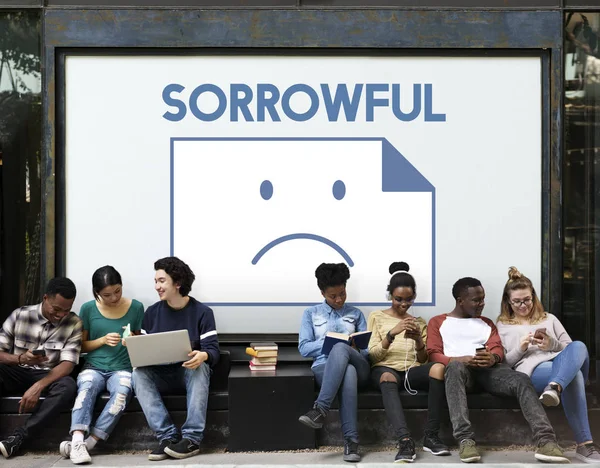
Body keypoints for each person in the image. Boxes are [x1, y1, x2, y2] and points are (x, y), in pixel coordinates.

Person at [427, 277, 568, 464]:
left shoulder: (487, 323)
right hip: (460, 373)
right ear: (460, 301)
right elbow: (433, 354)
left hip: (489, 372)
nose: (482, 304)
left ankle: (546, 441)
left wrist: (492, 358)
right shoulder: (438, 322)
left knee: (520, 379)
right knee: (453, 368)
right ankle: (465, 440)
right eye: (476, 300)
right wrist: (460, 359)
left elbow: (497, 349)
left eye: (483, 299)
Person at [497, 266, 599, 463]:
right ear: (508, 301)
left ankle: (555, 387)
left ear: (534, 296)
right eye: (517, 301)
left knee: (579, 345)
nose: (523, 305)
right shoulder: (502, 326)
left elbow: (572, 350)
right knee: (575, 376)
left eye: (527, 299)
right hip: (533, 371)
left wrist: (552, 344)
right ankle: (585, 445)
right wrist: (521, 348)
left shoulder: (549, 318)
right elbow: (505, 364)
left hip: (560, 364)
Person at [132, 257, 219, 461]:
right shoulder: (152, 313)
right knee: (138, 374)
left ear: (177, 283)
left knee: (201, 367)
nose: (157, 287)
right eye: (156, 281)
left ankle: (191, 439)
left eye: (161, 281)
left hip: (189, 373)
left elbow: (213, 351)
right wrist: (134, 346)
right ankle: (167, 437)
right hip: (160, 373)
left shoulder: (203, 313)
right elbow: (145, 351)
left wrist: (203, 355)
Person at [58, 266, 144, 464]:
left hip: (123, 368)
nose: (114, 298)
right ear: (96, 292)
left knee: (121, 395)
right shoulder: (88, 309)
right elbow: (80, 346)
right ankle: (77, 440)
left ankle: (89, 444)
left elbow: (140, 345)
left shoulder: (137, 307)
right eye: (107, 294)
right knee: (86, 389)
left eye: (117, 291)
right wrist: (103, 340)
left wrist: (132, 340)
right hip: (94, 367)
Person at [367, 261, 449, 462]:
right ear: (389, 296)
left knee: (438, 368)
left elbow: (423, 360)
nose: (404, 304)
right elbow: (372, 356)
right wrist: (391, 334)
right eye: (398, 299)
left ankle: (431, 436)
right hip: (385, 369)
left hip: (411, 371)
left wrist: (419, 341)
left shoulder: (419, 322)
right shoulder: (376, 317)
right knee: (387, 376)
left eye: (409, 299)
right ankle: (405, 441)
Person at [0, 277, 82, 459]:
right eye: (56, 309)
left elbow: (68, 364)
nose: (61, 315)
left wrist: (39, 386)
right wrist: (20, 358)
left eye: (66, 310)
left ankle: (19, 438)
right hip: (17, 371)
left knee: (68, 385)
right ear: (45, 298)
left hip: (47, 375)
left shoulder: (74, 323)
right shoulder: (20, 315)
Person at [298, 263, 370, 463]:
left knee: (343, 353)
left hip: (360, 365)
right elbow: (304, 348)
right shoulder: (311, 314)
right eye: (333, 296)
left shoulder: (356, 314)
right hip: (325, 367)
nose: (339, 299)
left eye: (342, 293)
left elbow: (366, 353)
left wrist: (350, 346)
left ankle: (320, 409)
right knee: (346, 371)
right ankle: (351, 441)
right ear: (322, 292)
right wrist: (331, 340)